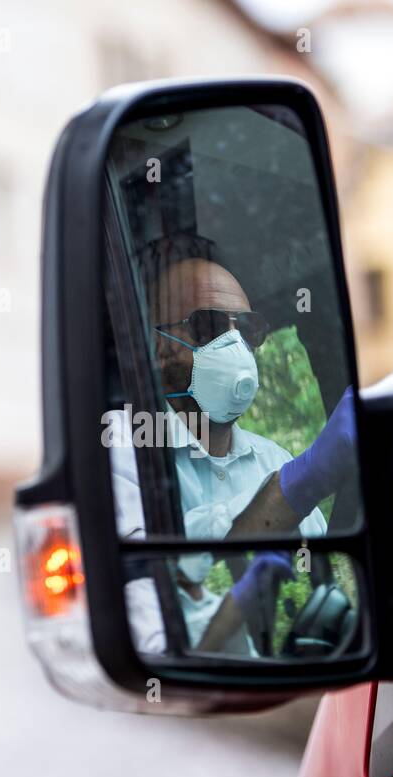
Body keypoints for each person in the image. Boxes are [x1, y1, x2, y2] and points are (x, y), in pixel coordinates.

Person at [108, 256, 357, 654]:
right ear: (158, 347)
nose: (235, 345)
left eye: (248, 329)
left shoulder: (275, 459)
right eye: (208, 326)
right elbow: (155, 625)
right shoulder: (122, 444)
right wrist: (287, 493)